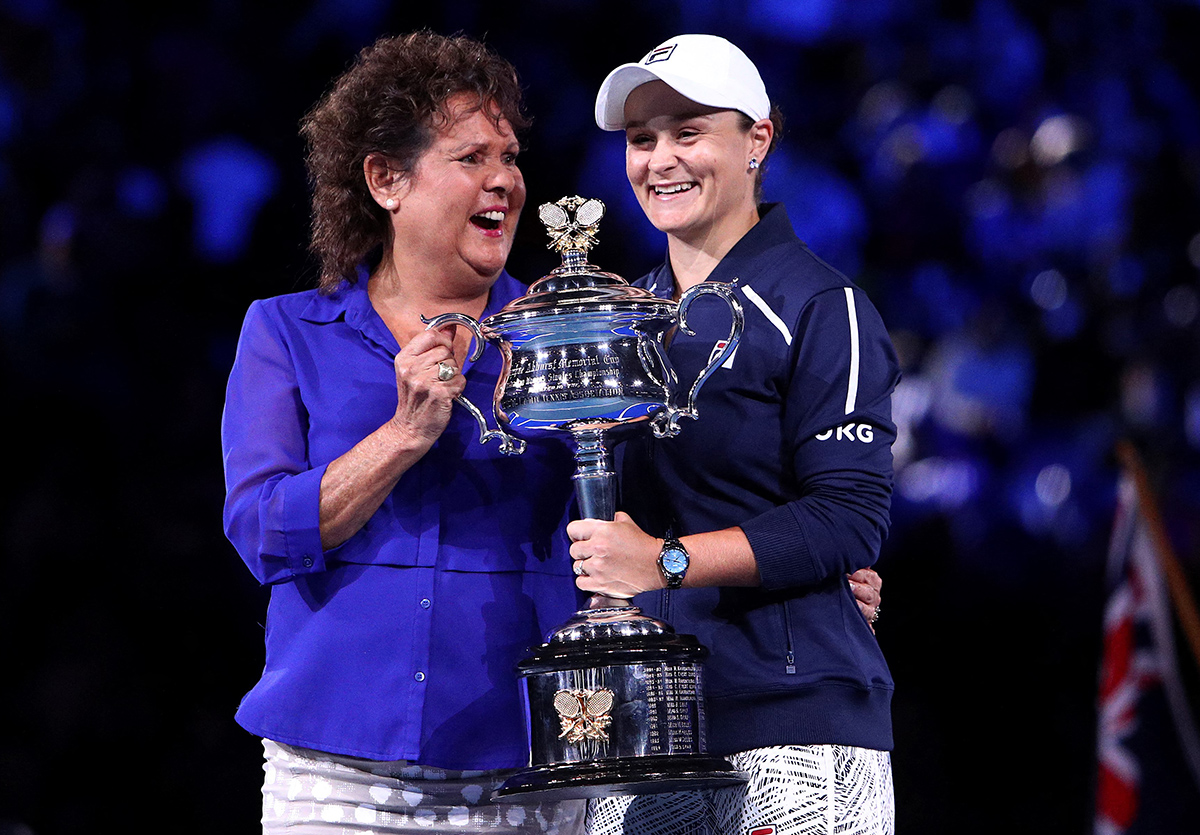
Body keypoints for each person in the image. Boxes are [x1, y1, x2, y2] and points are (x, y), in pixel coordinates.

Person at [220, 31, 587, 833]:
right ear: (386, 179)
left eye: (512, 156)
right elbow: (262, 535)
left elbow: (638, 515)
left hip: (535, 778)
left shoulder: (565, 339)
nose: (505, 180)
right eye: (471, 157)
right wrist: (401, 435)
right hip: (338, 784)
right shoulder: (286, 333)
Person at [566, 34, 898, 834]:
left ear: (757, 141)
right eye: (641, 139)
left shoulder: (825, 306)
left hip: (794, 726)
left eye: (688, 132)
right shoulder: (619, 320)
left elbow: (849, 517)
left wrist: (666, 561)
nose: (659, 159)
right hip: (640, 726)